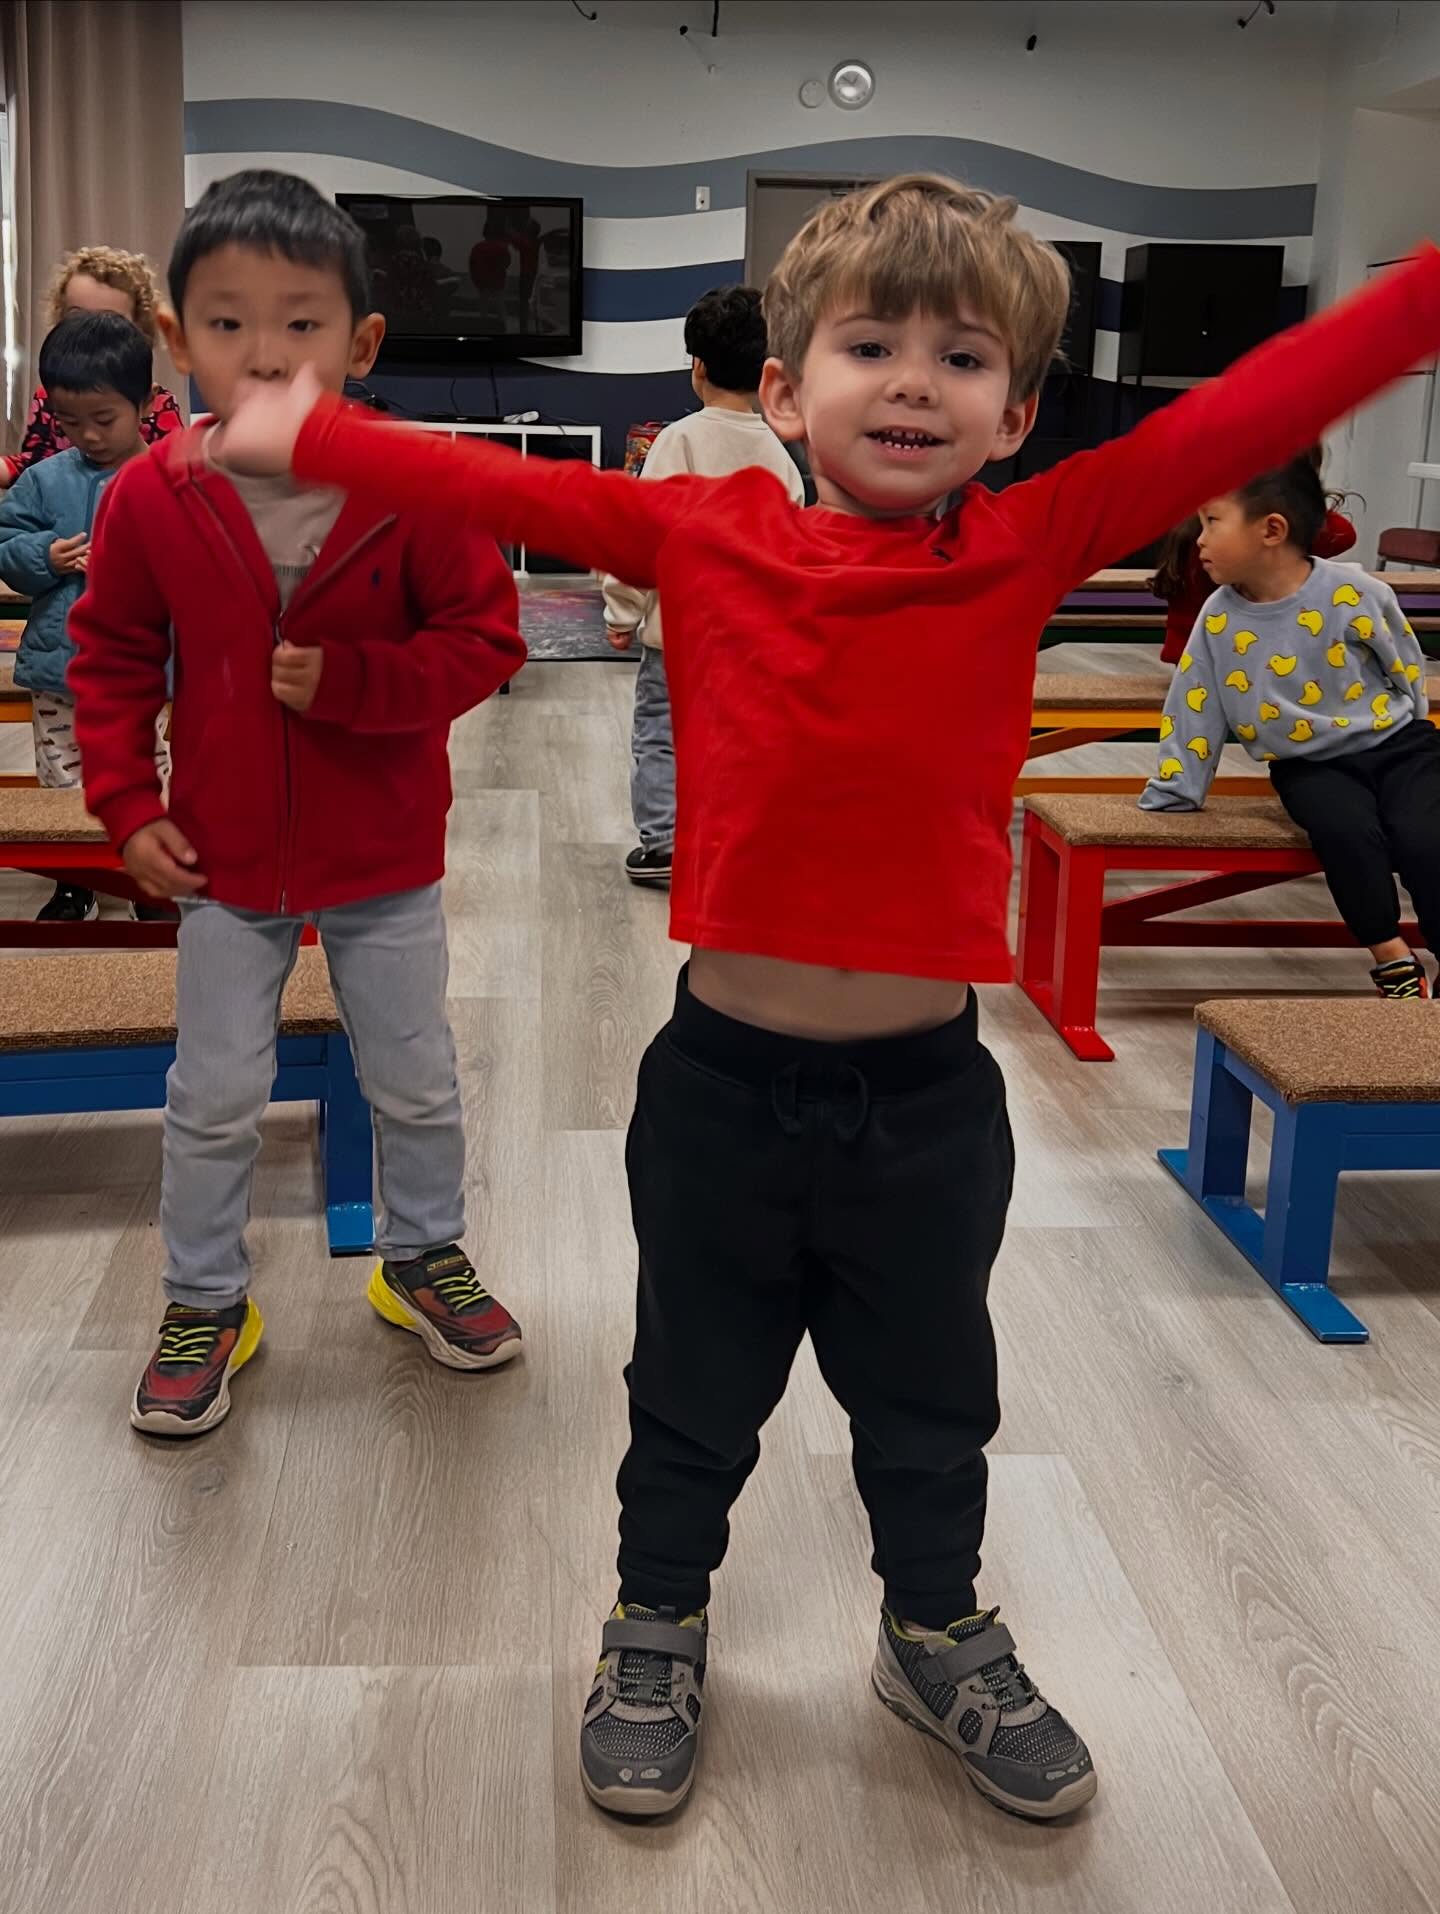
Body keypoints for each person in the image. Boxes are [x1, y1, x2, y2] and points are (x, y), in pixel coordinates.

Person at [215, 175, 1440, 1824]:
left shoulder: (1027, 539)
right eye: (874, 344)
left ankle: (934, 1625)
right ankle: (657, 1618)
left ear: (1017, 410)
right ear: (786, 391)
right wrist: (307, 425)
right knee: (693, 1391)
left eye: (965, 354)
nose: (918, 379)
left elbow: (1270, 393)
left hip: (928, 1105)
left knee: (933, 1398)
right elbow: (476, 473)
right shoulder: (698, 528)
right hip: (721, 1087)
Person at [69, 170, 528, 1439]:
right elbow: (107, 657)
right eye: (225, 321)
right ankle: (205, 1299)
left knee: (417, 1076)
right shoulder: (154, 494)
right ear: (176, 338)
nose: (263, 350)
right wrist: (121, 800)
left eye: (300, 321)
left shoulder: (414, 482)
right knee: (211, 1093)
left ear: (360, 340)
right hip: (219, 859)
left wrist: (361, 685)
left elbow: (487, 638)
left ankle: (421, 1254)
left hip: (383, 857)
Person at [1141, 454, 1437, 998]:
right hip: (1310, 765)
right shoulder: (1219, 615)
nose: (1198, 540)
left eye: (1212, 523)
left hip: (1401, 747)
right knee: (1347, 836)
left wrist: (1414, 727)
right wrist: (1179, 786)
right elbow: (1194, 703)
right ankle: (1391, 956)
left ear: (1271, 530)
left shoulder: (1356, 591)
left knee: (1426, 838)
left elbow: (1404, 663)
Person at [602, 285, 804, 884]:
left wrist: (621, 613)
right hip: (751, 645)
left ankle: (665, 843)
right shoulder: (781, 460)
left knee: (662, 737)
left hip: (680, 641)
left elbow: (642, 539)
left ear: (697, 365)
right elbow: (792, 559)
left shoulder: (678, 441)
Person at [0, 312, 168, 922]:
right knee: (61, 780)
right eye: (71, 423)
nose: (89, 436)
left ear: (145, 403)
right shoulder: (44, 480)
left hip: (137, 674)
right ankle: (73, 882)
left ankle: (147, 881)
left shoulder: (169, 478)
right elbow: (8, 547)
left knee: (144, 776)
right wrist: (44, 556)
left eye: (104, 420)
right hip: (57, 667)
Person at [1153, 443, 1356, 665]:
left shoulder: (1227, 524)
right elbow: (1340, 533)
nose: (1204, 538)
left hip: (1231, 657)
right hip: (1209, 659)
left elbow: (1344, 534)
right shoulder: (1214, 543)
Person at [1, 246, 182, 488]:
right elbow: (33, 465)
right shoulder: (50, 397)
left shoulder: (157, 405)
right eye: (77, 317)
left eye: (109, 320)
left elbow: (178, 478)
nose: (91, 331)